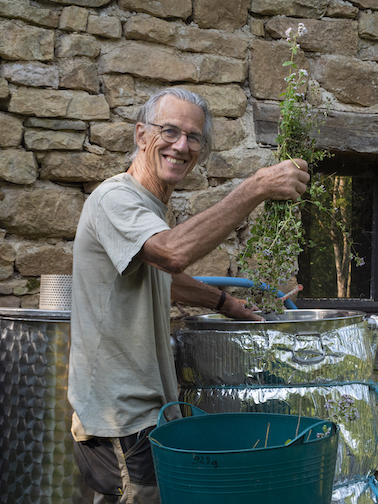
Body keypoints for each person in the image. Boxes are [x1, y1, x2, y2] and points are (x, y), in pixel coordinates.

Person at [68, 87, 309, 504]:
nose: (181, 145)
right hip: (122, 415)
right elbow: (171, 254)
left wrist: (223, 303)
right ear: (141, 134)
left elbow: (158, 273)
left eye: (193, 137)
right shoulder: (115, 198)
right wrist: (256, 187)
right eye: (170, 131)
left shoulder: (151, 206)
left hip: (145, 411)